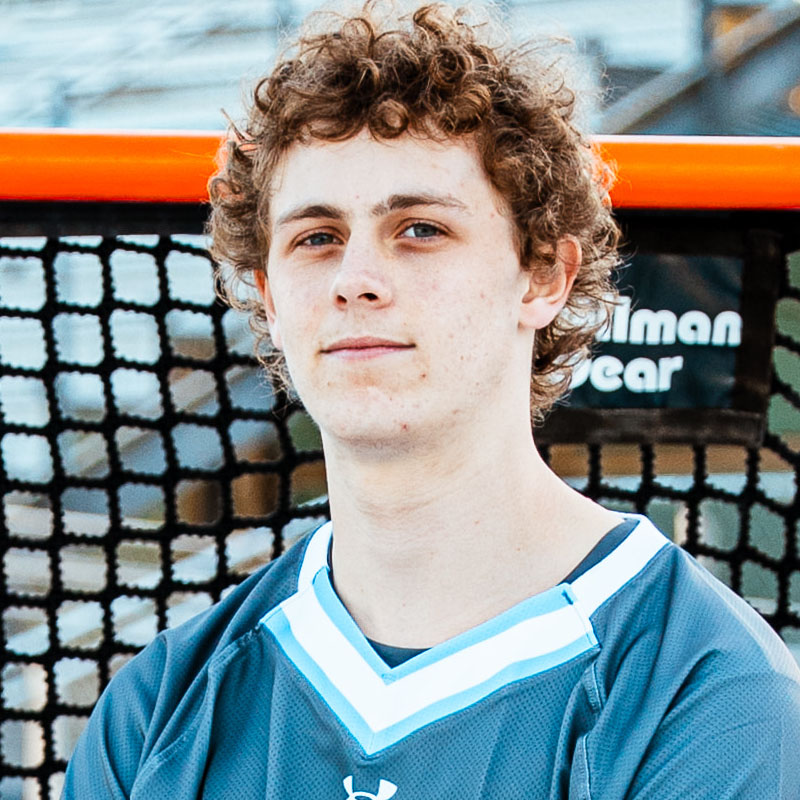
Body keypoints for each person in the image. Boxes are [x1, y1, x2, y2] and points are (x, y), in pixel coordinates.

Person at [64, 3, 800, 798]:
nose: (355, 280)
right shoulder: (158, 711)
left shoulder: (705, 694)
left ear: (543, 276)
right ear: (270, 299)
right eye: (317, 237)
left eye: (419, 229)